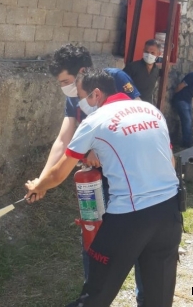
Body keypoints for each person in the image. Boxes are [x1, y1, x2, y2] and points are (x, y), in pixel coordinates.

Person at [25, 69, 182, 307]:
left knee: (95, 296)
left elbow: (59, 173)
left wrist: (39, 185)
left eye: (83, 97)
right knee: (158, 297)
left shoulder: (95, 121)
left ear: (97, 94)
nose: (81, 103)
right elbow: (169, 161)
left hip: (130, 218)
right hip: (169, 213)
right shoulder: (152, 111)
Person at [44, 44, 145, 306]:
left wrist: (99, 145)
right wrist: (42, 181)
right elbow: (62, 139)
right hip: (95, 181)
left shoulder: (116, 78)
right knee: (91, 234)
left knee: (139, 240)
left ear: (82, 73)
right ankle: (92, 299)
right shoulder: (73, 97)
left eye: (66, 81)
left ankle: (146, 297)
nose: (65, 88)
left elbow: (138, 117)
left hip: (129, 178)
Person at [123, 39, 162, 105]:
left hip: (146, 106)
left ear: (158, 54)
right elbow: (123, 82)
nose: (149, 55)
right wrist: (134, 95)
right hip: (130, 104)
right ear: (143, 51)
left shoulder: (156, 70)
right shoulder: (132, 67)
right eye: (146, 52)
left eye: (152, 53)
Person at [172, 69, 193, 148]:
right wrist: (174, 95)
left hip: (187, 100)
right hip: (181, 99)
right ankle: (187, 143)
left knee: (188, 121)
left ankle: (187, 141)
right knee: (187, 121)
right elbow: (180, 86)